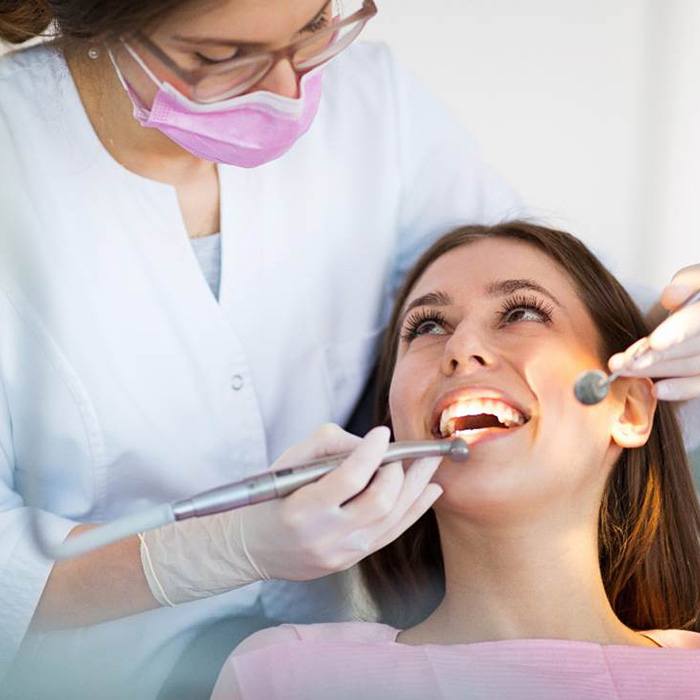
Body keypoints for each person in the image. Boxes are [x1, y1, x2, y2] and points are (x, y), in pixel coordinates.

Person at [1, 1, 699, 697]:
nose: (287, 94)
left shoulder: (373, 111)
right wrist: (208, 553)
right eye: (219, 56)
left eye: (312, 31)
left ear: (631, 409)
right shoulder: (291, 676)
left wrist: (671, 329)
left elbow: (545, 289)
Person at [212, 222, 700, 700]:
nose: (460, 349)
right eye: (426, 327)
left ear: (630, 409)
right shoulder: (285, 678)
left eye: (522, 313)